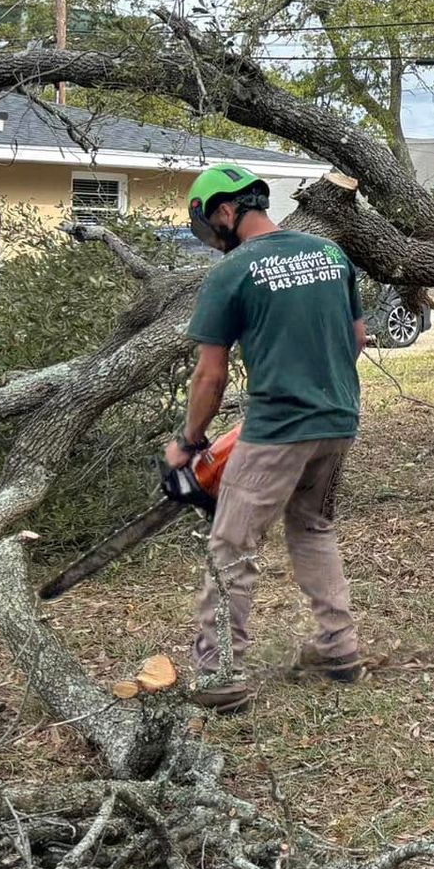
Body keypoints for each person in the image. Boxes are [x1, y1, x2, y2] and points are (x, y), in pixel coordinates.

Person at [167, 163, 367, 711]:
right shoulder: (330, 255)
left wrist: (189, 442)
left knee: (231, 548)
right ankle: (338, 646)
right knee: (314, 528)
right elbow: (356, 336)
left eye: (212, 225)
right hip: (338, 420)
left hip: (277, 430)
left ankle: (218, 676)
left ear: (226, 212)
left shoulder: (233, 273)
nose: (214, 238)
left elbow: (211, 375)